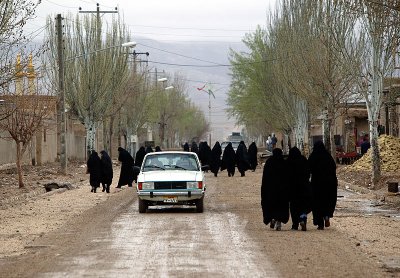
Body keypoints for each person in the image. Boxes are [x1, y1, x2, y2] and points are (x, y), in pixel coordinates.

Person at [308, 141, 338, 230]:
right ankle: (327, 215)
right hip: (329, 184)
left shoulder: (313, 156)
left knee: (317, 203)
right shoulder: (328, 157)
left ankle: (320, 223)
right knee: (328, 200)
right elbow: (333, 168)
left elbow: (308, 168)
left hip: (317, 184)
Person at [261, 148, 289, 231]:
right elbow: (287, 177)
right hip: (282, 190)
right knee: (281, 206)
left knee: (272, 205)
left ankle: (272, 219)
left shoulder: (269, 162)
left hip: (271, 189)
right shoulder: (283, 162)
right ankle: (278, 223)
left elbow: (265, 177)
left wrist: (264, 188)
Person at [287, 147, 311, 231]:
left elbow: (286, 175)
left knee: (294, 207)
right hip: (304, 187)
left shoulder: (289, 161)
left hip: (292, 188)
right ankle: (303, 219)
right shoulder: (303, 160)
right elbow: (308, 172)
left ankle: (295, 225)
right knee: (303, 205)